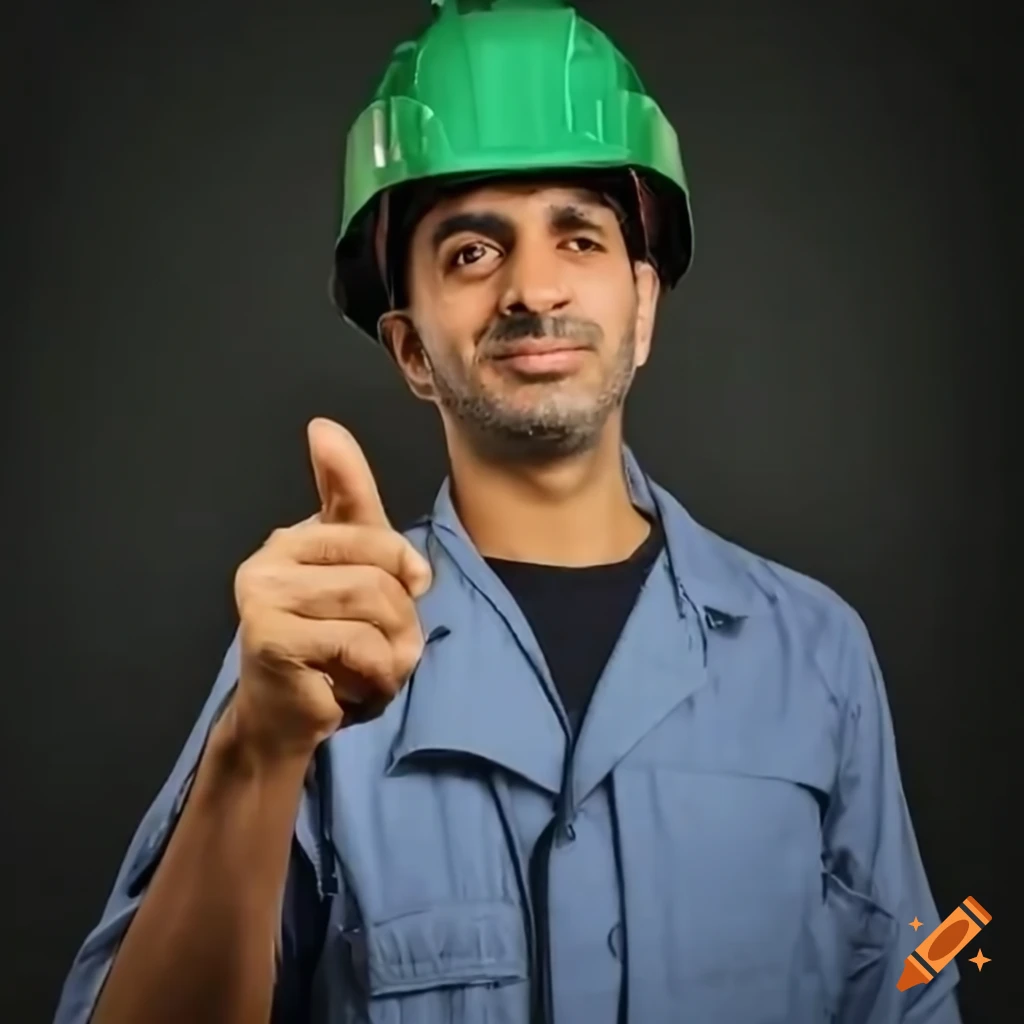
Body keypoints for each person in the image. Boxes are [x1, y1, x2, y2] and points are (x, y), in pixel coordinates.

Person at [54, 2, 961, 1022]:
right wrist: (257, 752)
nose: (532, 287)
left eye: (577, 235)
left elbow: (908, 991)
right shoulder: (314, 650)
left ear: (643, 304)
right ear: (408, 350)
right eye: (472, 253)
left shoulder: (817, 656)